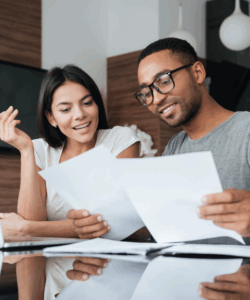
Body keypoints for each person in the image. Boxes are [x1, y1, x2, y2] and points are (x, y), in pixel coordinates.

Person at [69, 38, 250, 244]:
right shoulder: (174, 146)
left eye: (163, 81)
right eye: (146, 92)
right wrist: (100, 224)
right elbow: (164, 224)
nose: (155, 99)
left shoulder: (246, 131)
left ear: (197, 73)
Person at [0, 64, 141, 239]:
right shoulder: (40, 150)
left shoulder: (120, 140)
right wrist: (26, 151)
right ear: (51, 117)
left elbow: (109, 222)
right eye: (65, 109)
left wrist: (26, 229)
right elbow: (31, 220)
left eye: (87, 103)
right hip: (50, 263)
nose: (79, 114)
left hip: (106, 261)